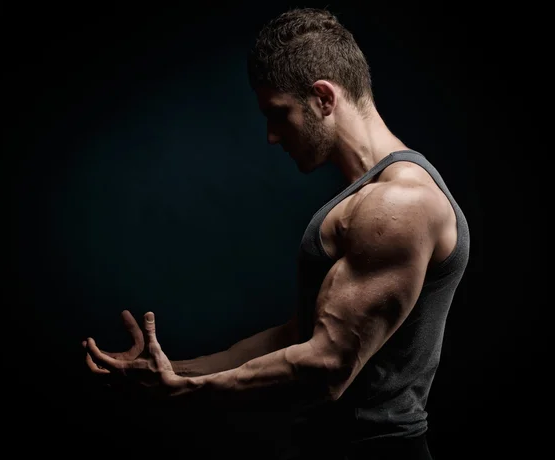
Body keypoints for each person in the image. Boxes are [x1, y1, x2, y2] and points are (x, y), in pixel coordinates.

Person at [82, 7, 470, 460]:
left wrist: (189, 393)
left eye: (278, 114)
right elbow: (296, 335)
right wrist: (173, 371)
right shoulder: (370, 198)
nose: (271, 136)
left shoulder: (397, 205)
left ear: (324, 98)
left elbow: (326, 366)